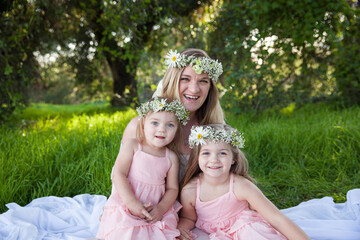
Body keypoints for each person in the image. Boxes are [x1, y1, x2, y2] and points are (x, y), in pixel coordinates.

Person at [178, 124, 311, 240]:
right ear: (197, 157)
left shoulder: (240, 186)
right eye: (206, 153)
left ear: (233, 159)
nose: (214, 160)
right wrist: (181, 229)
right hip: (213, 235)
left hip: (246, 229)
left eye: (222, 153)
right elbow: (189, 218)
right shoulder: (190, 190)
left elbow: (276, 218)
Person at [121, 48, 225, 183]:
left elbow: (229, 182)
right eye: (185, 79)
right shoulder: (139, 128)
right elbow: (119, 181)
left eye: (203, 81)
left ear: (210, 88)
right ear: (172, 82)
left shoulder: (216, 130)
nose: (194, 89)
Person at [96, 97, 190, 240]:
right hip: (127, 204)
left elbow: (172, 189)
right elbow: (118, 174)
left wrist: (160, 209)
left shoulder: (171, 157)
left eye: (170, 125)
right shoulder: (133, 146)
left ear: (177, 130)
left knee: (160, 234)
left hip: (154, 208)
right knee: (125, 231)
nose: (162, 129)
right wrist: (131, 203)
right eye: (154, 123)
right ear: (143, 125)